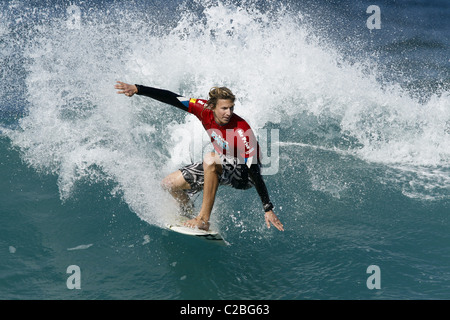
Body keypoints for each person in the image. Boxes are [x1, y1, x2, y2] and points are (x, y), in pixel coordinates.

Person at [115, 81, 284, 232]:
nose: (229, 112)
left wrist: (267, 207)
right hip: (224, 161)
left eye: (231, 108)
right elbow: (173, 98)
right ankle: (188, 213)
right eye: (224, 108)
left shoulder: (241, 131)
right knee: (169, 184)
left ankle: (203, 220)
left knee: (210, 159)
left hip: (246, 175)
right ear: (212, 107)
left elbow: (254, 169)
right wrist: (139, 89)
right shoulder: (202, 108)